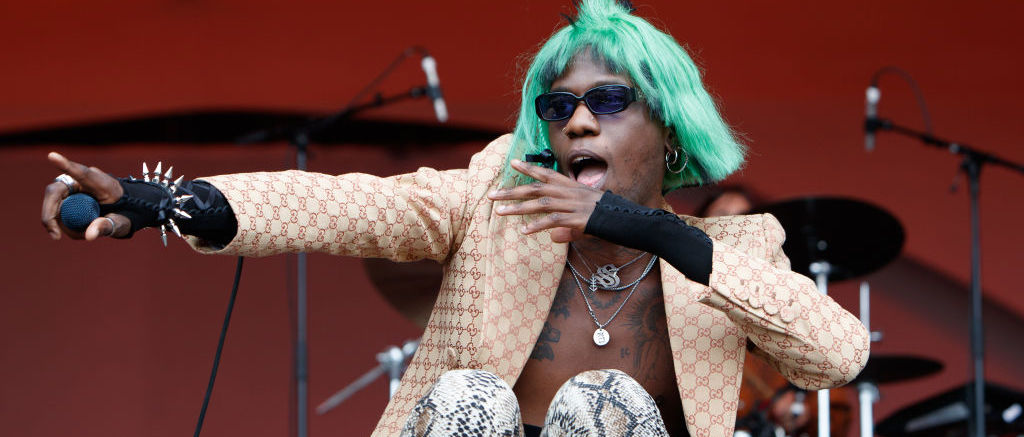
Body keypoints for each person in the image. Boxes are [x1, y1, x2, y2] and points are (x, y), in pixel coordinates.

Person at [40, 1, 869, 436]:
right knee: (469, 394)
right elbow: (349, 205)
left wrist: (652, 231)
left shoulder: (732, 247)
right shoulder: (494, 201)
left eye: (610, 101)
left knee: (603, 401)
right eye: (558, 106)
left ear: (671, 130)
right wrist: (165, 202)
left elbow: (838, 354)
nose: (579, 121)